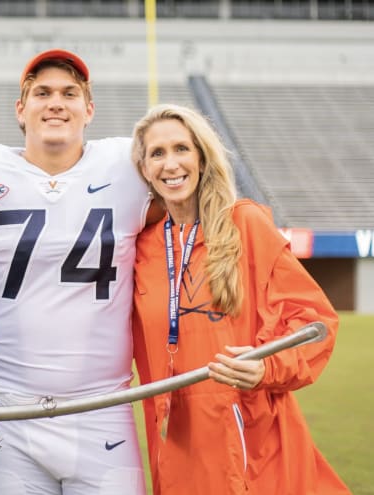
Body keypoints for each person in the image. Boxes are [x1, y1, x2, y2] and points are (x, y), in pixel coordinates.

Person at [0, 49, 154, 494]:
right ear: (21, 109)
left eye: (69, 93)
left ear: (89, 109)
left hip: (103, 405)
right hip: (6, 407)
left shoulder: (129, 165)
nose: (56, 102)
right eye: (42, 92)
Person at [130, 103, 352, 494]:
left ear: (201, 156)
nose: (171, 164)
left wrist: (268, 368)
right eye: (157, 153)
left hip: (253, 434)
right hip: (177, 440)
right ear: (144, 169)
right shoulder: (142, 248)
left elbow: (314, 322)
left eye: (181, 148)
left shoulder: (245, 225)